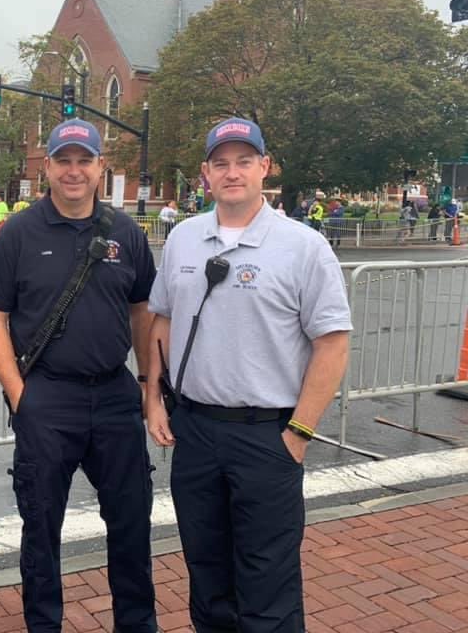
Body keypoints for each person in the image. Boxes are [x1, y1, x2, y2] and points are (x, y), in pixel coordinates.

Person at [144, 117, 351, 633]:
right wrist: (153, 396)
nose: (231, 172)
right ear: (205, 174)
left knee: (268, 583)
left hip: (267, 436)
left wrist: (299, 432)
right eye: (221, 163)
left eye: (243, 161)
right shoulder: (185, 239)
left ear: (265, 167)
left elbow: (332, 343)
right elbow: (163, 319)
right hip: (195, 433)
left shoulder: (304, 247)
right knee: (207, 574)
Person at [0, 118, 159, 633]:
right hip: (48, 398)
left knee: (130, 524)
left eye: (85, 160)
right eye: (64, 161)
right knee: (41, 527)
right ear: (48, 169)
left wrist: (149, 386)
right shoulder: (19, 232)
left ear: (101, 167)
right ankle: (44, 624)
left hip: (114, 396)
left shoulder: (125, 232)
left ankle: (137, 623)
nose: (74, 171)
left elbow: (143, 309)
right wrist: (19, 394)